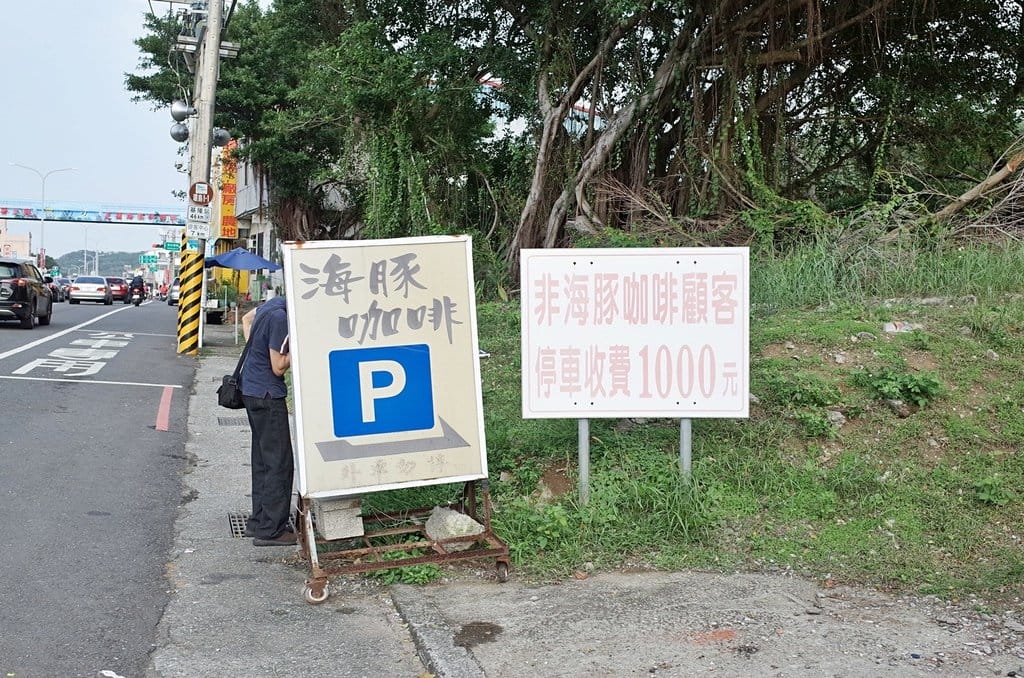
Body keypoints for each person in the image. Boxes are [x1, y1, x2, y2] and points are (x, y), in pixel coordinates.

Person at [240, 296, 296, 546]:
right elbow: (278, 366)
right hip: (268, 395)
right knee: (279, 464)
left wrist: (255, 351)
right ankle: (272, 530)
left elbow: (246, 318)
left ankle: (258, 522)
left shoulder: (271, 305)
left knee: (263, 461)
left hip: (251, 390)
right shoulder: (281, 318)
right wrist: (298, 345)